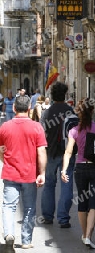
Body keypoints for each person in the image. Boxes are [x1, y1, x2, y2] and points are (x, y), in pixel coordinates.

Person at [0, 95, 47, 249]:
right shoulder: (36, 127)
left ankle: (8, 234)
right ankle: (26, 241)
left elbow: (1, 150)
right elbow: (41, 152)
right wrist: (42, 173)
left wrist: (5, 161)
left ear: (13, 108)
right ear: (29, 109)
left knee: (8, 206)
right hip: (29, 174)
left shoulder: (5, 127)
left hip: (10, 173)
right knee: (29, 208)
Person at [61, 98, 95, 249]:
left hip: (80, 168)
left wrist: (64, 169)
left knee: (82, 201)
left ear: (79, 112)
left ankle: (84, 234)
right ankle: (88, 235)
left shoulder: (74, 130)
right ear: (93, 111)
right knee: (94, 202)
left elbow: (68, 152)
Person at [40, 81, 76, 228]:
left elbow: (42, 134)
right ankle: (63, 218)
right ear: (65, 95)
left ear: (53, 96)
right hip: (68, 152)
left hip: (50, 153)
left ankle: (48, 216)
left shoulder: (47, 113)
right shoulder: (71, 111)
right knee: (66, 184)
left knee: (49, 184)